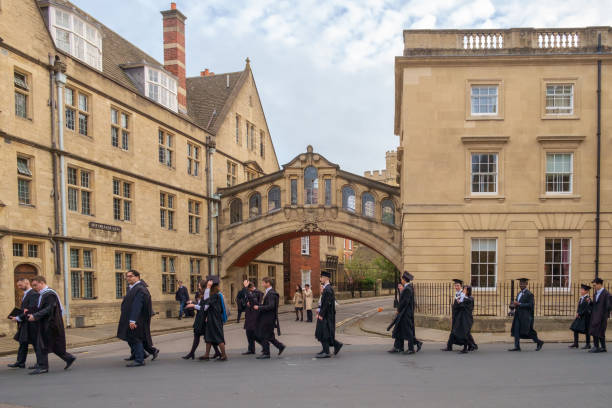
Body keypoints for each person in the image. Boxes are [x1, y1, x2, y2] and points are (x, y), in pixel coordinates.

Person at [27, 276, 76, 375]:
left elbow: (49, 309)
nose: (34, 288)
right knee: (53, 344)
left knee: (42, 344)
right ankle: (69, 358)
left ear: (42, 283)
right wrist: (31, 312)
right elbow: (42, 307)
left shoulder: (49, 294)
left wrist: (35, 316)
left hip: (51, 323)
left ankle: (43, 367)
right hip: (47, 322)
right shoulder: (43, 294)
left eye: (35, 285)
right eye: (33, 286)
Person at [117, 270, 153, 367]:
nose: (128, 278)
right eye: (127, 276)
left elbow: (137, 305)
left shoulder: (140, 288)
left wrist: (133, 320)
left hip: (137, 319)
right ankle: (139, 354)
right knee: (129, 337)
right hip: (130, 317)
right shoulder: (133, 288)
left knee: (135, 338)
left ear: (137, 277)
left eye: (130, 276)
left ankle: (140, 359)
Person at [183, 280, 220, 360]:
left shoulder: (207, 294)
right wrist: (192, 302)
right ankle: (217, 352)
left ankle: (192, 353)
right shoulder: (201, 293)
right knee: (205, 336)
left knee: (203, 336)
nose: (198, 286)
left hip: (203, 318)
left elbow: (204, 308)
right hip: (200, 317)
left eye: (199, 285)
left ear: (202, 286)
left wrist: (193, 305)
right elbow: (200, 304)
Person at [8, 278, 39, 369]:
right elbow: (25, 309)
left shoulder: (33, 294)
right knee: (22, 342)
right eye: (18, 286)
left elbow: (30, 309)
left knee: (35, 343)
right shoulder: (26, 294)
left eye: (20, 285)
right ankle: (20, 362)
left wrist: (18, 317)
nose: (19, 287)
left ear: (27, 283)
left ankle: (40, 362)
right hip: (25, 323)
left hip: (31, 324)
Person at [387, 271, 422, 354]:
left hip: (405, 313)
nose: (401, 281)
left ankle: (411, 348)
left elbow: (404, 302)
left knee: (408, 331)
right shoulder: (407, 288)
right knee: (399, 329)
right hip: (404, 313)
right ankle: (398, 347)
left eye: (401, 279)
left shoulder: (408, 289)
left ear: (404, 280)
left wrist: (398, 310)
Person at [508, 278, 544, 352]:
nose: (521, 285)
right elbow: (516, 303)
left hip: (525, 316)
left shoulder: (529, 294)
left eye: (523, 283)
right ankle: (517, 346)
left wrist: (519, 304)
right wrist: (513, 306)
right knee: (516, 330)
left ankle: (539, 342)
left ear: (526, 284)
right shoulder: (519, 293)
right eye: (520, 283)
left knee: (528, 332)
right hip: (518, 315)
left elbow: (531, 305)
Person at [254, 276, 285, 359]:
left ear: (268, 283)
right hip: (267, 317)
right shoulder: (268, 292)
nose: (262, 284)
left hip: (268, 318)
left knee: (263, 335)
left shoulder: (271, 293)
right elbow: (267, 304)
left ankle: (266, 353)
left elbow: (271, 306)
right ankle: (280, 346)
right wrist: (259, 305)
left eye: (263, 282)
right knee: (270, 336)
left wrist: (259, 307)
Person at [315, 271, 343, 358]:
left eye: (322, 277)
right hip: (325, 315)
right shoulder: (326, 289)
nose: (320, 279)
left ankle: (327, 351)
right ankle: (328, 348)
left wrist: (321, 314)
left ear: (326, 278)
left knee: (324, 333)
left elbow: (326, 304)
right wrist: (319, 309)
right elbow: (323, 303)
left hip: (326, 316)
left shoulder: (328, 289)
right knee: (322, 333)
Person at [200, 276, 228, 361]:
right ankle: (206, 354)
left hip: (215, 318)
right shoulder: (214, 295)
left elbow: (206, 301)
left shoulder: (216, 295)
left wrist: (208, 287)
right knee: (208, 336)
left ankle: (224, 355)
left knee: (218, 336)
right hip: (211, 317)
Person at [441, 279, 464, 352]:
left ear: (461, 286)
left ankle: (449, 346)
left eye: (458, 285)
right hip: (455, 316)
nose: (456, 287)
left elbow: (462, 306)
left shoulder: (462, 294)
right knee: (458, 331)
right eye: (455, 285)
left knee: (455, 331)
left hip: (459, 317)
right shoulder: (457, 293)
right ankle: (449, 346)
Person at [451, 286, 475, 354]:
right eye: (463, 289)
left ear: (468, 291)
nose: (463, 290)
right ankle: (471, 346)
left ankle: (465, 348)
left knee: (465, 333)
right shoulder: (465, 298)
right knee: (464, 333)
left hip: (467, 318)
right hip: (463, 318)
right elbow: (460, 302)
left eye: (465, 289)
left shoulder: (470, 299)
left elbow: (461, 303)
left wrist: (460, 300)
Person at [589, 278, 610, 353]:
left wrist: (605, 316)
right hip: (595, 315)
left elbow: (608, 306)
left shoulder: (606, 293)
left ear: (600, 284)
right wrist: (590, 302)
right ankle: (600, 347)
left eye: (595, 285)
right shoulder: (595, 293)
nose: (594, 287)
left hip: (602, 316)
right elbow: (595, 305)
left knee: (600, 331)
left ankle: (598, 347)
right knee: (595, 330)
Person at [569, 284, 592, 349]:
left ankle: (588, 344)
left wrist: (580, 314)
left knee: (587, 331)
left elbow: (587, 308)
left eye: (582, 290)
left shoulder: (588, 299)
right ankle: (576, 343)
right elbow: (580, 307)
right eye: (581, 289)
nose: (581, 291)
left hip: (585, 317)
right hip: (580, 316)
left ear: (586, 291)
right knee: (575, 328)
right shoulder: (581, 298)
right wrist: (577, 313)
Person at [242, 282, 262, 355]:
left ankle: (264, 345)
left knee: (254, 333)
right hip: (249, 315)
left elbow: (255, 301)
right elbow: (245, 300)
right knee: (248, 332)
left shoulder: (258, 292)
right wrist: (246, 302)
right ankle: (251, 349)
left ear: (250, 287)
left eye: (247, 288)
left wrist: (247, 291)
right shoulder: (249, 292)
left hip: (254, 315)